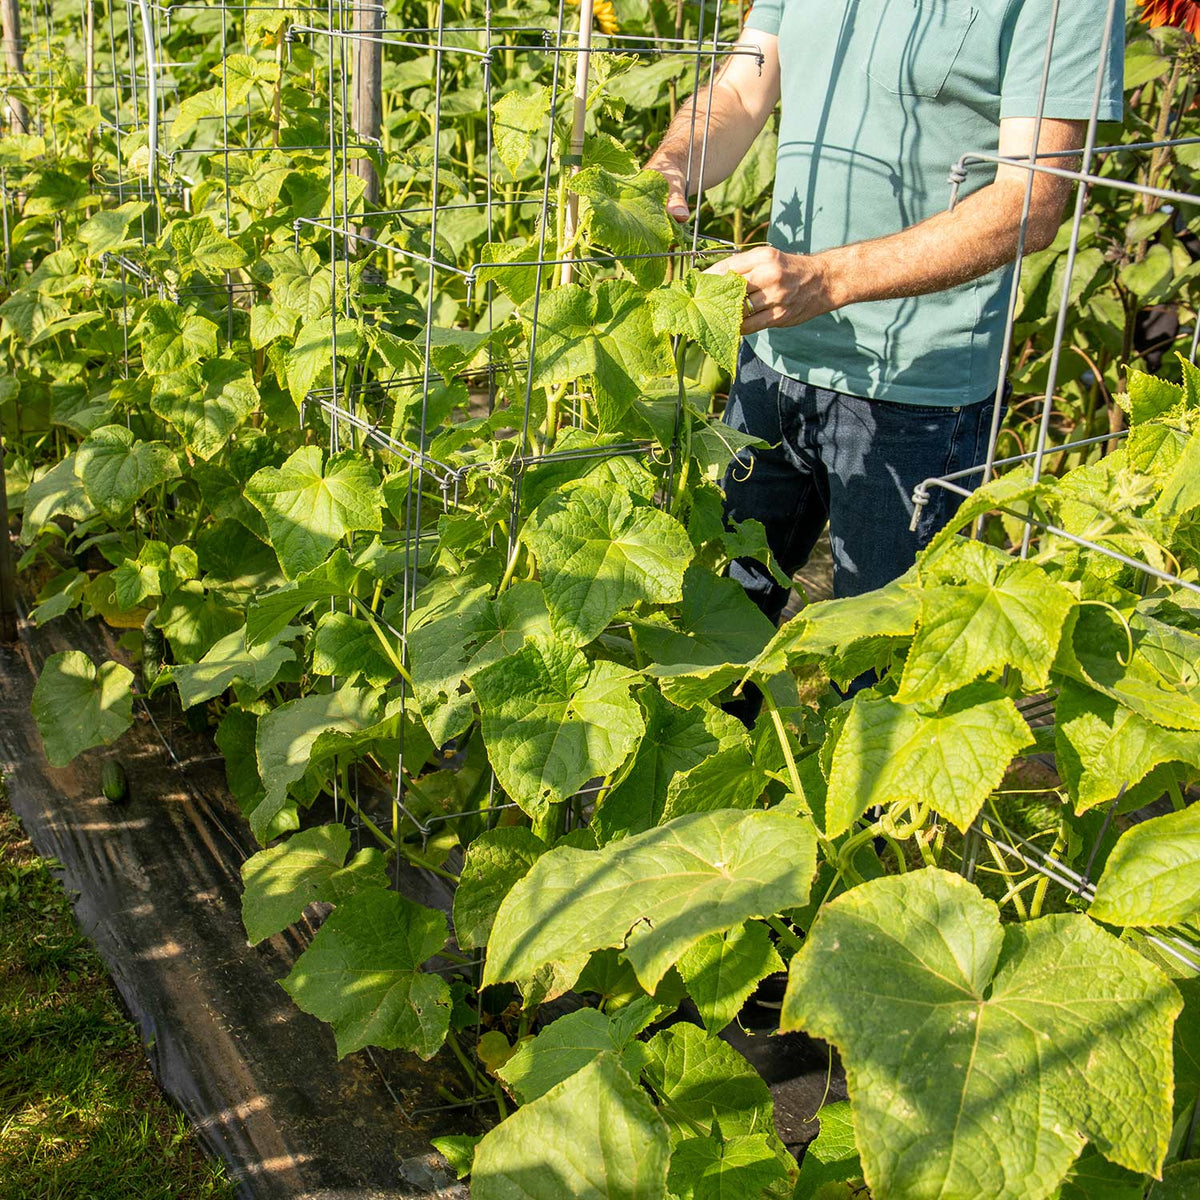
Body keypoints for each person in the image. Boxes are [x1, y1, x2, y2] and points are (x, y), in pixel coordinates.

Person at [645, 2, 1124, 626]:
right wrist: (671, 166)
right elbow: (741, 88)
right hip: (769, 358)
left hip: (919, 394)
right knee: (705, 635)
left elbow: (1028, 202)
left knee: (876, 670)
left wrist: (825, 279)